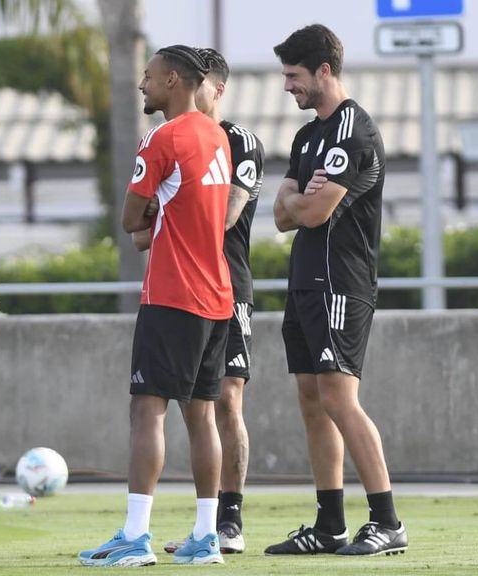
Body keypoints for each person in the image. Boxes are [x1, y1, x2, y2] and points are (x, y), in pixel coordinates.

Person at [78, 44, 234, 567]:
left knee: (147, 409)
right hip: (217, 297)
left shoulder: (163, 137)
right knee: (202, 415)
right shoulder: (217, 135)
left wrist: (148, 223)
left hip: (173, 293)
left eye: (147, 77)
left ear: (172, 79)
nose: (141, 85)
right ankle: (206, 536)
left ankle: (136, 535)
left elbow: (129, 219)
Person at [265, 24, 407, 556]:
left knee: (340, 399)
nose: (287, 87)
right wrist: (299, 199)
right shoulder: (308, 137)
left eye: (293, 76)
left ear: (324, 70)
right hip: (303, 282)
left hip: (341, 284)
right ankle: (330, 525)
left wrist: (300, 199)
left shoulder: (355, 132)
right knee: (310, 399)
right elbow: (280, 215)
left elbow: (313, 209)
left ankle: (388, 520)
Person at [144, 47, 264, 556]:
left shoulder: (236, 140)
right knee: (191, 406)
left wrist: (168, 206)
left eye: (208, 87)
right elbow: (141, 224)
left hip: (226, 284)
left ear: (216, 88)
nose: (199, 95)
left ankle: (228, 520)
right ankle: (206, 526)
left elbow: (226, 216)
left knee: (226, 398)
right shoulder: (173, 141)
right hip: (180, 287)